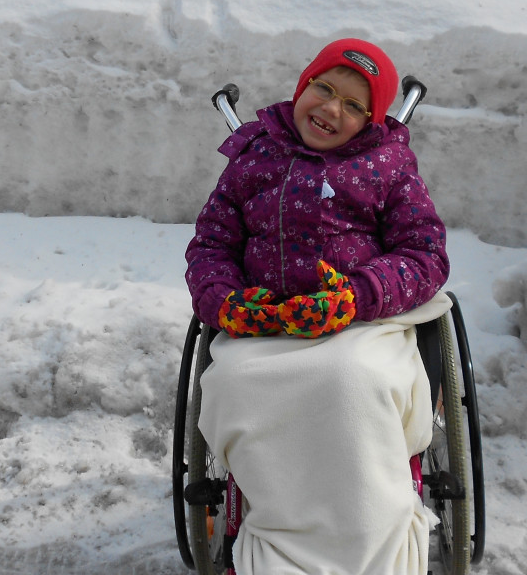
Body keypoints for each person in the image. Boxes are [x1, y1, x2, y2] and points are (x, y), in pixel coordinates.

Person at [185, 38, 450, 575]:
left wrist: (356, 296)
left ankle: (369, 542)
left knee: (352, 380)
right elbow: (210, 246)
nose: (331, 110)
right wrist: (230, 305)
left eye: (354, 105)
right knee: (235, 384)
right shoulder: (252, 156)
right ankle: (277, 538)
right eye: (323, 89)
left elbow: (424, 254)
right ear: (302, 86)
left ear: (373, 120)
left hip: (357, 324)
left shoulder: (387, 166)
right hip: (262, 328)